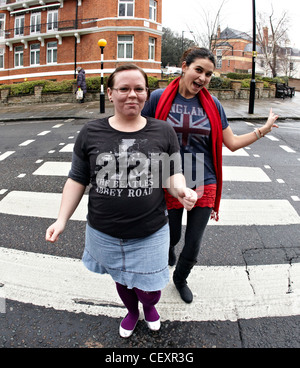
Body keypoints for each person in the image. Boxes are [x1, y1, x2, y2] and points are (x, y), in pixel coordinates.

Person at [45, 64, 197, 338]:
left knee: (149, 288)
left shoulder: (163, 132)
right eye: (124, 89)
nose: (132, 95)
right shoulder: (90, 132)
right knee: (123, 282)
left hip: (150, 231)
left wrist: (182, 191)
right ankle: (131, 311)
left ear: (147, 94)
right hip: (105, 232)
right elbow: (77, 179)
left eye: (139, 89)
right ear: (110, 93)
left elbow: (172, 175)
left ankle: (149, 307)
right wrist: (61, 220)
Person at [142, 47, 279, 304]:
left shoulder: (213, 104)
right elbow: (142, 131)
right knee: (170, 236)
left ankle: (180, 279)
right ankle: (169, 251)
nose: (203, 78)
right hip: (169, 177)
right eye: (199, 70)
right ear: (184, 67)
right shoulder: (159, 98)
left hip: (204, 177)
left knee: (193, 243)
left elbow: (232, 142)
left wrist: (263, 130)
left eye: (208, 74)